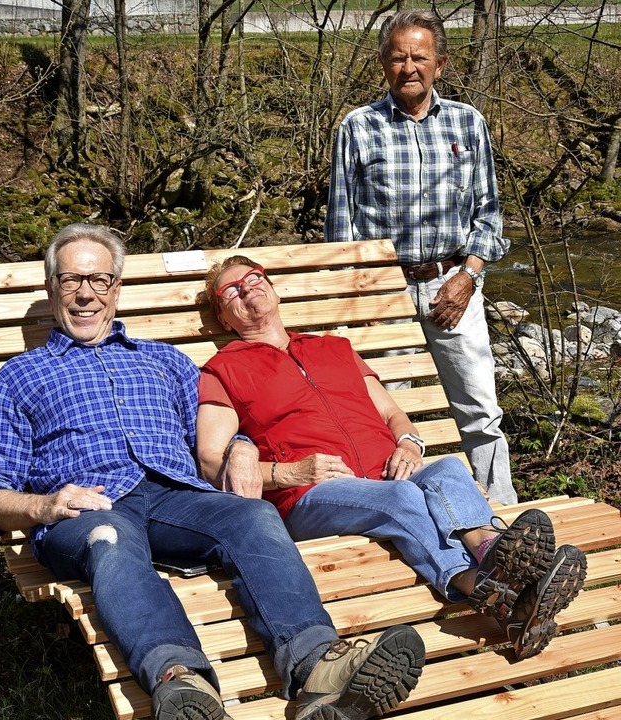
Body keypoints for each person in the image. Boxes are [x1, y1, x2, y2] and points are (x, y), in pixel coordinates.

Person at [0, 224, 428, 720]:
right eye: (72, 279)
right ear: (52, 287)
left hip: (176, 496)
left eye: (99, 279)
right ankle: (183, 686)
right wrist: (41, 505)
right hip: (88, 505)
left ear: (117, 288)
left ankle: (317, 668)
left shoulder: (165, 362)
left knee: (252, 517)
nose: (85, 293)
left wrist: (241, 448)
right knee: (111, 539)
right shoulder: (19, 377)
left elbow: (218, 430)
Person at [196, 256, 587, 661]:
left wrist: (409, 443)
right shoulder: (223, 370)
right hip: (312, 494)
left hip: (388, 470)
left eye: (254, 278)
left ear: (274, 289)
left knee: (448, 468)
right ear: (224, 319)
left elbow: (392, 414)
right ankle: (487, 581)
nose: (246, 288)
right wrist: (291, 471)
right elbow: (211, 462)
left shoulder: (333, 347)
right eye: (230, 290)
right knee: (403, 497)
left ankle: (496, 562)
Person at [324, 10, 517, 506]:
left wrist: (469, 276)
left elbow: (489, 214)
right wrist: (358, 296)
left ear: (440, 64)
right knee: (392, 412)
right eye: (398, 57)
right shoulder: (358, 127)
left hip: (452, 282)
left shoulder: (466, 122)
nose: (409, 66)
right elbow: (340, 229)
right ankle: (412, 514)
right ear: (384, 64)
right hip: (382, 289)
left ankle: (501, 512)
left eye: (419, 57)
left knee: (479, 408)